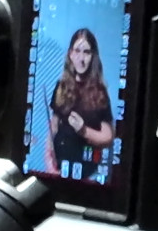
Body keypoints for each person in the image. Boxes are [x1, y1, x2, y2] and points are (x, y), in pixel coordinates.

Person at [46, 28, 116, 175]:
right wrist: (49, 163)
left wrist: (83, 130)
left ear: (93, 56)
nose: (81, 58)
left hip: (87, 173)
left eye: (86, 52)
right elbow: (53, 127)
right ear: (70, 54)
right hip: (59, 169)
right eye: (77, 51)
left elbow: (108, 137)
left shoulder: (100, 92)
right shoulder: (61, 86)